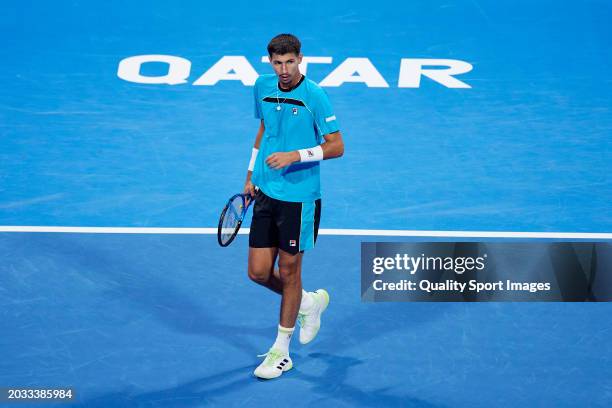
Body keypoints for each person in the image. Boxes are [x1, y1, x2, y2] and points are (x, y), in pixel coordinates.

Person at [244, 33, 344, 379]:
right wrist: (249, 174)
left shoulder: (315, 96)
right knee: (258, 272)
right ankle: (307, 302)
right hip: (266, 191)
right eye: (277, 62)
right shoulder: (261, 86)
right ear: (269, 62)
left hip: (299, 199)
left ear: (300, 59)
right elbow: (264, 129)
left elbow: (336, 146)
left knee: (289, 272)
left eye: (290, 62)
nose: (284, 69)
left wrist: (295, 156)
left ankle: (281, 352)